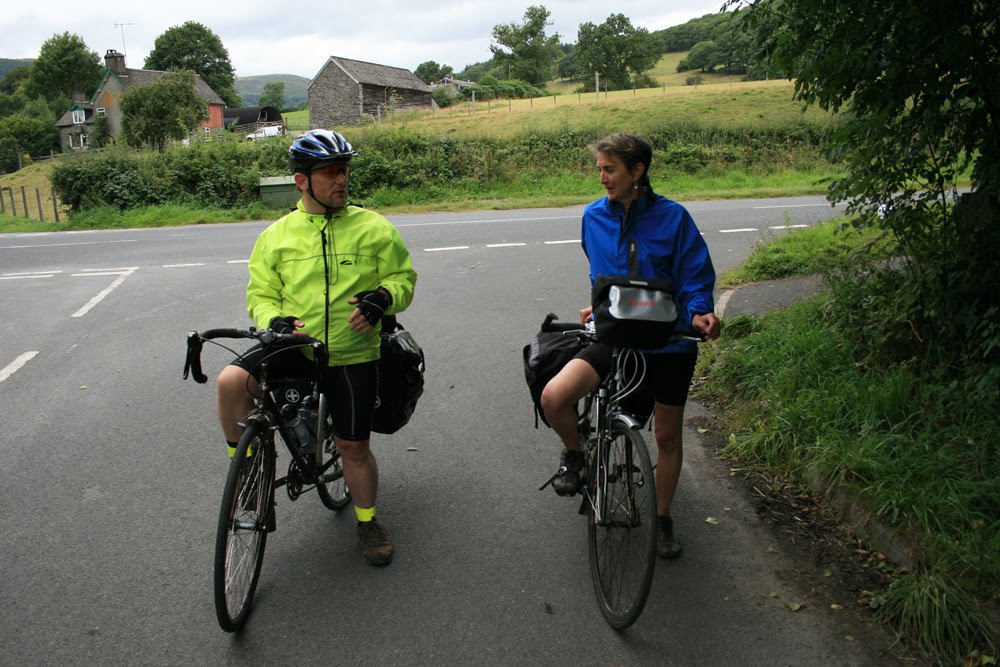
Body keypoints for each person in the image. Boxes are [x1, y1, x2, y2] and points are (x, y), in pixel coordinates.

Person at [216, 129, 417, 566]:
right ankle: (246, 470)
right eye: (330, 171)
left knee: (353, 449)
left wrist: (383, 297)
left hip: (351, 351)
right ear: (301, 180)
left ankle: (368, 521)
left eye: (344, 170)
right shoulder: (277, 236)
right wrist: (272, 320)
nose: (341, 179)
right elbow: (261, 293)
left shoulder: (374, 227)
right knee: (231, 382)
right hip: (292, 345)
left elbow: (404, 280)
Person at [540, 133, 720, 559]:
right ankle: (576, 455)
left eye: (610, 169)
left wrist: (699, 312)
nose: (601, 177)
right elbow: (599, 271)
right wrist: (600, 303)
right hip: (616, 338)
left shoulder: (674, 217)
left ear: (637, 172)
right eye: (599, 168)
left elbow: (694, 273)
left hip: (669, 342)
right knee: (554, 396)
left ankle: (662, 519)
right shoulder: (592, 217)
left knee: (667, 437)